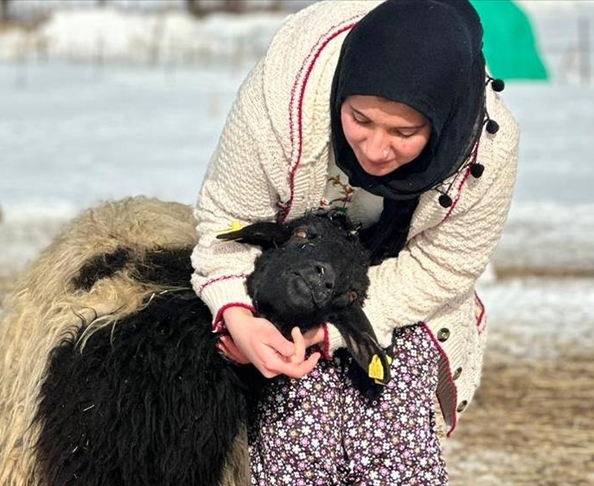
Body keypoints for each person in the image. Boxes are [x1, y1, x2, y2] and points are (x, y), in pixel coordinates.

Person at [190, 0, 519, 483]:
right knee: (297, 435)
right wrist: (239, 316)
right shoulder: (285, 94)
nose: (375, 148)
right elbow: (229, 222)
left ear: (443, 119)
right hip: (288, 285)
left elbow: (442, 266)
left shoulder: (487, 150)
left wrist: (333, 335)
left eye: (405, 131)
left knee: (393, 440)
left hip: (397, 296)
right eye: (360, 120)